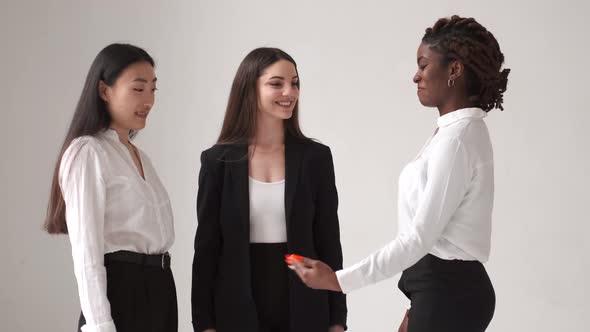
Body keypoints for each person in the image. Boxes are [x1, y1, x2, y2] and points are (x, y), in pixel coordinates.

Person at [289, 15, 510, 332]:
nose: (415, 76)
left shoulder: (458, 139)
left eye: (423, 65)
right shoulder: (457, 132)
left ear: (454, 70)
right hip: (437, 289)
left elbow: (418, 238)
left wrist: (338, 280)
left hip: (447, 293)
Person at [192, 47, 347, 332]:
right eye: (276, 83)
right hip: (236, 309)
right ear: (249, 89)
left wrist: (337, 320)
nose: (290, 92)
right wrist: (204, 324)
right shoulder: (217, 161)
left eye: (295, 82)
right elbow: (206, 250)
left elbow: (329, 243)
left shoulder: (316, 158)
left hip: (305, 306)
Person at [44, 43, 177, 332]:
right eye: (138, 89)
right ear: (105, 91)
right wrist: (99, 324)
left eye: (153, 89)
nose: (149, 100)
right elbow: (86, 251)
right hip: (122, 292)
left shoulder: (141, 157)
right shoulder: (88, 152)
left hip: (160, 289)